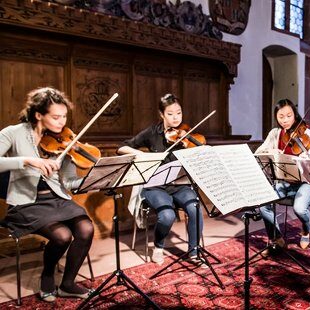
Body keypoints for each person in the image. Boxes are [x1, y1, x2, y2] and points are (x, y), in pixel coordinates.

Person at [0, 87, 94, 302]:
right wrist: (26, 160)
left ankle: (68, 283)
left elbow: (69, 181)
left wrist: (94, 180)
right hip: (27, 203)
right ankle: (48, 275)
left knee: (86, 228)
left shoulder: (63, 140)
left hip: (56, 199)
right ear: (38, 115)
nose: (62, 122)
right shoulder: (13, 133)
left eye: (64, 116)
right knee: (62, 236)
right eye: (56, 117)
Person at [117, 93, 203, 264]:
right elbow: (122, 147)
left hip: (179, 184)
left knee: (195, 208)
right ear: (162, 114)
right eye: (170, 114)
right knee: (167, 215)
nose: (175, 117)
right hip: (155, 185)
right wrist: (140, 154)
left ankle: (194, 251)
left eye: (178, 113)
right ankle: (159, 245)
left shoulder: (185, 135)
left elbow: (200, 151)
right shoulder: (152, 133)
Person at [255, 99, 310, 250]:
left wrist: (300, 158)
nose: (285, 120)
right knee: (263, 206)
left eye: (289, 116)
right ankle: (276, 237)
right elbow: (258, 153)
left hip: (305, 182)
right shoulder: (275, 134)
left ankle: (306, 230)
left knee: (300, 209)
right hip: (284, 182)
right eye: (281, 116)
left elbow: (309, 161)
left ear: (295, 115)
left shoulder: (305, 132)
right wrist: (272, 152)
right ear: (276, 117)